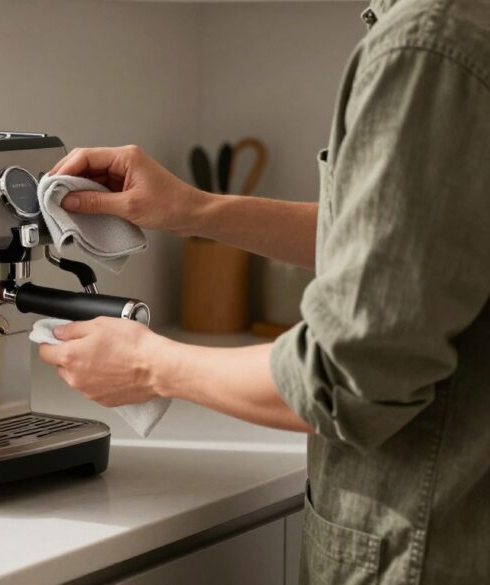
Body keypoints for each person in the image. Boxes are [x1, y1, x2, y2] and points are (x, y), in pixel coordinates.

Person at [36, 0, 490, 582]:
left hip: (429, 547)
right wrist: (194, 210)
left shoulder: (427, 45)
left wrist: (150, 365)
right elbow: (408, 244)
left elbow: (346, 377)